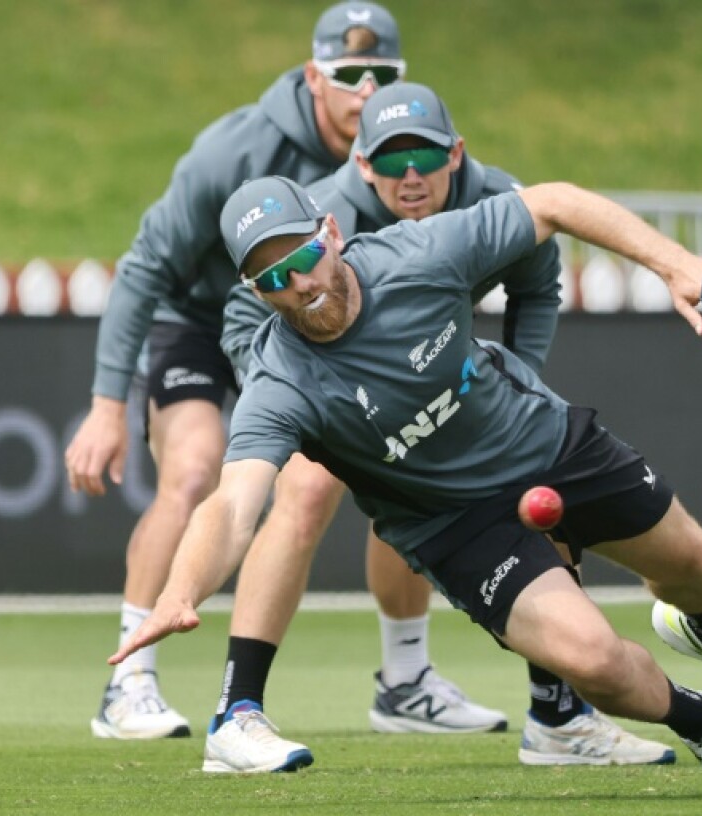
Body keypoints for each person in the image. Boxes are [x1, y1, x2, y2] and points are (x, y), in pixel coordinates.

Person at [111, 175, 702, 799]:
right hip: (457, 527)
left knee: (694, 566)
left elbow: (554, 203)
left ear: (332, 233)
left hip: (549, 446)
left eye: (303, 255)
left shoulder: (419, 255)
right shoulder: (279, 380)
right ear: (255, 292)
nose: (298, 283)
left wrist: (675, 264)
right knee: (595, 662)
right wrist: (180, 590)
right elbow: (234, 504)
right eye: (271, 278)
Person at [205, 81, 675, 773]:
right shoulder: (321, 222)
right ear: (361, 166)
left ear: (455, 154)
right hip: (302, 364)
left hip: (436, 367)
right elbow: (247, 320)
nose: (410, 176)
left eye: (424, 157)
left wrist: (514, 382)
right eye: (389, 162)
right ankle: (243, 708)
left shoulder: (491, 195)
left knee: (523, 461)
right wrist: (311, 402)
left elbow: (535, 285)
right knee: (304, 493)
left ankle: (555, 714)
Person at [64, 1, 499, 742]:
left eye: (382, 73)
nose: (366, 89)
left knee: (399, 457)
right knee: (195, 471)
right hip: (201, 324)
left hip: (311, 326)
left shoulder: (394, 159)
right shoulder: (232, 149)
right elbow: (144, 268)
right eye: (348, 74)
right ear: (313, 76)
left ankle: (405, 681)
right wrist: (108, 405)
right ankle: (128, 683)